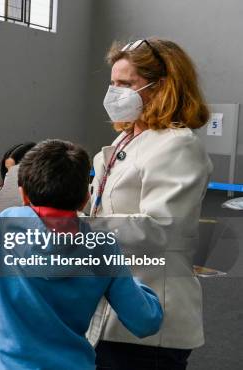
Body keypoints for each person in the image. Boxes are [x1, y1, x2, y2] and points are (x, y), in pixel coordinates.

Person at [0, 140, 163, 370]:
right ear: (85, 199)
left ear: (23, 194)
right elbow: (145, 321)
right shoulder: (103, 246)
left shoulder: (0, 229)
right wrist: (129, 275)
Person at [89, 39, 213, 369]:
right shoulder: (126, 139)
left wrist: (78, 229)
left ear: (163, 86)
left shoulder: (177, 144)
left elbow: (161, 229)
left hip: (152, 317)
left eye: (126, 84)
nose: (114, 93)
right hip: (112, 310)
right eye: (113, 82)